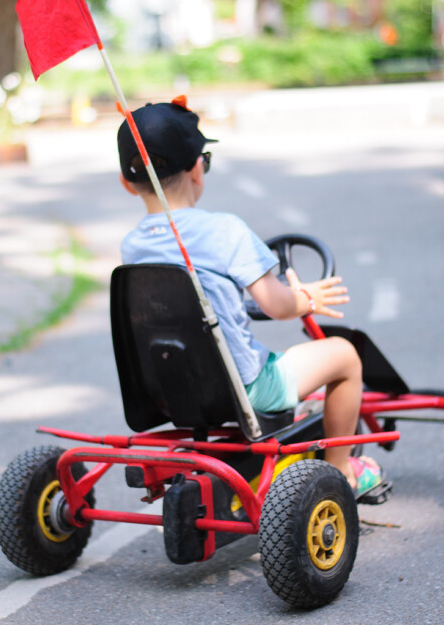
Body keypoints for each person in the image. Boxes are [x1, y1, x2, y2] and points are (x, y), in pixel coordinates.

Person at [116, 96, 384, 499]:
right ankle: (342, 470)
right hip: (245, 389)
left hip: (168, 391)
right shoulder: (225, 231)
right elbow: (277, 305)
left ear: (126, 182)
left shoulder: (132, 247)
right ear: (198, 169)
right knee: (344, 354)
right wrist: (305, 297)